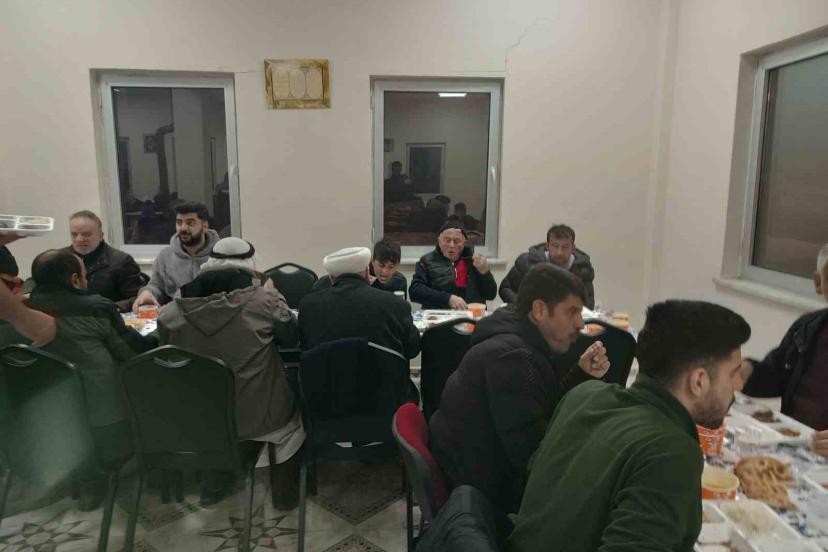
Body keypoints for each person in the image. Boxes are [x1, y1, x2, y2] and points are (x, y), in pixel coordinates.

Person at [507, 300, 751, 552]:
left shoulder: (585, 394)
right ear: (699, 382)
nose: (739, 385)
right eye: (733, 373)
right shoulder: (672, 452)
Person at [429, 264, 609, 515]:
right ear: (539, 310)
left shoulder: (515, 338)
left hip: (474, 469)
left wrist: (581, 374)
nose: (580, 323)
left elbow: (538, 408)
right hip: (481, 495)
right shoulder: (512, 358)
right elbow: (533, 457)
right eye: (572, 312)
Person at [0, 249, 156, 509]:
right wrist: (158, 338)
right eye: (84, 276)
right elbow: (132, 353)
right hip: (103, 419)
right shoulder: (96, 309)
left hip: (41, 419)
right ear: (75, 280)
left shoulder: (14, 313)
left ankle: (84, 478)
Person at [157, 237, 304, 507]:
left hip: (199, 417)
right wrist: (272, 293)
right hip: (259, 415)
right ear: (251, 267)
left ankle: (214, 484)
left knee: (214, 413)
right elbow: (291, 336)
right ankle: (285, 497)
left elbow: (165, 348)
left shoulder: (172, 312)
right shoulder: (264, 301)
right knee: (291, 423)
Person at [741, 243, 828, 457]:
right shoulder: (806, 328)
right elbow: (774, 377)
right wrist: (743, 370)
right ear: (819, 283)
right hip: (796, 451)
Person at [299, 246, 420, 358]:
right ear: (367, 272)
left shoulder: (308, 305)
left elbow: (305, 346)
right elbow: (412, 350)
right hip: (381, 374)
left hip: (324, 374)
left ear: (331, 278)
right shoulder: (396, 304)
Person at [132, 201, 220, 310]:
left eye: (190, 223)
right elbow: (157, 286)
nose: (183, 228)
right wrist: (149, 292)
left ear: (205, 226)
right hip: (177, 315)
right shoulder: (165, 256)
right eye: (179, 223)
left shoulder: (220, 255)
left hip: (212, 313)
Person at [61, 210, 145, 312]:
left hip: (107, 316)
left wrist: (111, 308)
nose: (79, 239)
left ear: (101, 236)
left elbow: (138, 297)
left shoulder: (121, 261)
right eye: (74, 234)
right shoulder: (59, 260)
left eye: (86, 234)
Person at [499, 224, 596, 309]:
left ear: (573, 248)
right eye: (555, 246)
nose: (559, 252)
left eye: (565, 247)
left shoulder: (582, 268)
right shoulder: (527, 262)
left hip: (566, 321)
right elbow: (505, 289)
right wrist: (523, 306)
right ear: (548, 246)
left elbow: (588, 304)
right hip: (530, 317)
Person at [410, 220, 496, 309]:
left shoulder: (475, 261)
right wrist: (447, 299)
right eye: (447, 240)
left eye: (457, 241)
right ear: (439, 242)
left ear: (464, 243)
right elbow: (415, 291)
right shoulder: (427, 261)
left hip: (470, 313)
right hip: (439, 314)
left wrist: (485, 272)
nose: (451, 245)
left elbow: (491, 295)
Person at [313, 238, 408, 298]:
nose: (385, 271)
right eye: (381, 265)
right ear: (372, 260)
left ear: (398, 265)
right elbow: (320, 285)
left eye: (391, 267)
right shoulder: (359, 273)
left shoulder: (399, 281)